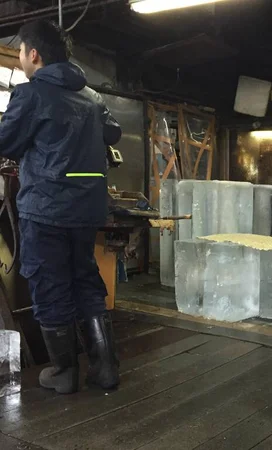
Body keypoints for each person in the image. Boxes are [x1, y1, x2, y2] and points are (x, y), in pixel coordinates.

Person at [0, 21, 122, 394]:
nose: (21, 59)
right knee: (85, 281)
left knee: (50, 286)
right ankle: (105, 370)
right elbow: (113, 133)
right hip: (86, 210)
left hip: (46, 209)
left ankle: (64, 371)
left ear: (33, 54)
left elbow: (5, 142)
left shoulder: (31, 94)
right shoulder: (92, 97)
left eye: (20, 52)